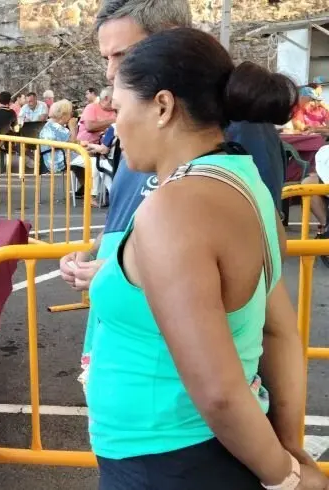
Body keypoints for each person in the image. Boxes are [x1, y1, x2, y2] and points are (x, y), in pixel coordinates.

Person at [88, 27, 319, 489]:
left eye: (117, 107)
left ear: (162, 106)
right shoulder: (246, 184)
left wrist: (288, 478)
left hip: (166, 461)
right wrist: (288, 447)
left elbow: (217, 394)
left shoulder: (174, 207)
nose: (113, 124)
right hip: (204, 454)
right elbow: (277, 331)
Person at [62, 0, 287, 358]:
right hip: (127, 349)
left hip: (181, 371)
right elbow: (126, 219)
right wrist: (95, 252)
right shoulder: (141, 124)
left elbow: (254, 256)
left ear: (172, 41)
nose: (110, 72)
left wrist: (128, 276)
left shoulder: (236, 129)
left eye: (123, 54)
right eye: (106, 57)